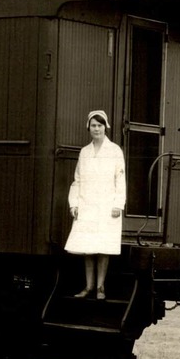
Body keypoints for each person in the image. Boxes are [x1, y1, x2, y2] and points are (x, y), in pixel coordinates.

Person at [66, 109, 125, 299]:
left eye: (100, 125)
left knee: (103, 248)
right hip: (87, 205)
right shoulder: (84, 152)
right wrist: (73, 204)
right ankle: (89, 286)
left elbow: (120, 180)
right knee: (88, 249)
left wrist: (118, 204)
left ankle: (100, 287)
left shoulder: (115, 150)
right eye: (93, 125)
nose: (96, 129)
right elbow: (77, 180)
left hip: (107, 207)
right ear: (88, 127)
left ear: (105, 127)